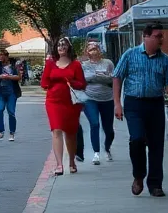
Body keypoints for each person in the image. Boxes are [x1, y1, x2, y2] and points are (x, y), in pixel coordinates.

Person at [113, 22, 168, 198]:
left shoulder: (165, 60)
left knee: (156, 145)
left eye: (162, 36)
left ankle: (155, 184)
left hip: (155, 104)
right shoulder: (130, 55)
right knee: (137, 139)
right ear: (146, 36)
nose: (161, 39)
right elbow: (117, 77)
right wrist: (117, 104)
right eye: (158, 36)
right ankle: (138, 175)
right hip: (134, 104)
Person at [42, 38, 86, 175]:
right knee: (56, 130)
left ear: (69, 47)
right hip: (53, 101)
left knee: (71, 133)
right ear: (56, 48)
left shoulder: (76, 65)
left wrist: (70, 81)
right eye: (59, 45)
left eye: (64, 45)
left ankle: (72, 161)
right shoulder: (50, 64)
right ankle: (59, 164)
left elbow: (82, 84)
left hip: (71, 102)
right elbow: (44, 83)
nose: (61, 47)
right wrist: (53, 82)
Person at [78, 42, 116, 165]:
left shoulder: (108, 63)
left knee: (108, 128)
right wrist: (97, 77)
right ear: (87, 52)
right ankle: (96, 153)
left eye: (95, 49)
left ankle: (107, 147)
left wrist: (97, 77)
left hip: (107, 98)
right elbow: (82, 79)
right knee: (94, 123)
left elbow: (113, 78)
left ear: (100, 50)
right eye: (90, 49)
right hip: (90, 98)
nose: (93, 51)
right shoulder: (83, 65)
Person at [0, 49, 21, 141]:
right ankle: (0, 131)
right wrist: (0, 76)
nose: (0, 57)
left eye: (2, 55)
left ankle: (12, 133)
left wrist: (9, 77)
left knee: (11, 111)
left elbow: (19, 77)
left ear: (6, 56)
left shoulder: (14, 65)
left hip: (11, 91)